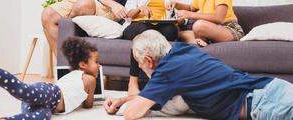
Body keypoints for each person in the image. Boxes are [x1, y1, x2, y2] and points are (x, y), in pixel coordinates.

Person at [104, 30, 293, 120]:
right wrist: (123, 99)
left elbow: (131, 114)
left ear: (149, 60)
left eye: (138, 61)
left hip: (266, 104)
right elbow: (151, 96)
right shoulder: (180, 50)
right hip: (274, 90)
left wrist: (126, 105)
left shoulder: (168, 72)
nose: (138, 65)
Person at [0, 37, 100, 119]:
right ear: (83, 64)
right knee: (23, 90)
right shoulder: (90, 80)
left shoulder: (73, 74)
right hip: (52, 94)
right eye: (96, 61)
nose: (99, 65)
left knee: (43, 116)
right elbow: (88, 105)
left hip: (48, 102)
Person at [122, 0, 180, 96]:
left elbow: (179, 15)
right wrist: (139, 9)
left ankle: (158, 82)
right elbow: (128, 14)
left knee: (172, 30)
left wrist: (176, 17)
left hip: (161, 27)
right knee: (144, 32)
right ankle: (133, 83)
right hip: (138, 25)